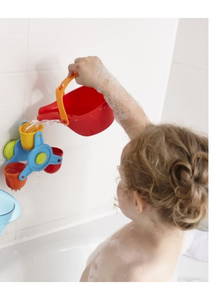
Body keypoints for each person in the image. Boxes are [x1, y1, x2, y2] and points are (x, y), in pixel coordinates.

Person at [67, 56, 208, 282]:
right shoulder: (178, 213)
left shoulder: (138, 277)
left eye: (120, 175)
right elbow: (140, 128)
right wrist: (102, 80)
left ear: (139, 201)